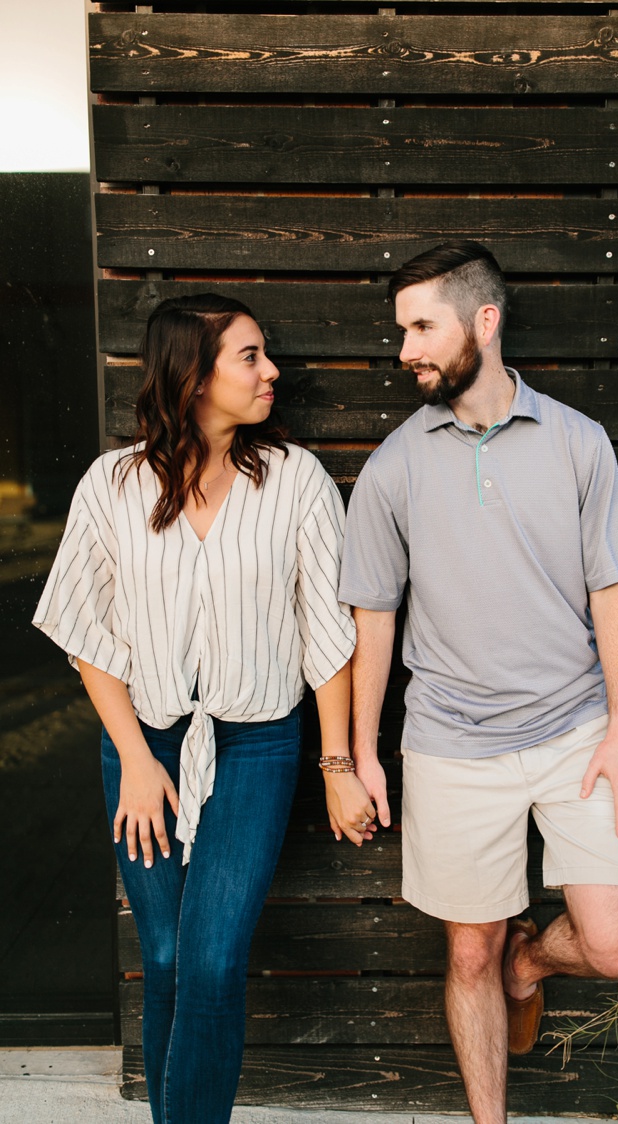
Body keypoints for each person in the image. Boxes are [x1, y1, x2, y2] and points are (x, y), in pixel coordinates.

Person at [334, 241, 618, 1124]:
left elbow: (612, 591)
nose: (405, 351)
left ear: (485, 320)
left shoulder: (577, 441)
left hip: (575, 730)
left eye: (421, 327)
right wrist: (361, 754)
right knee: (467, 956)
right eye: (401, 332)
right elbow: (373, 617)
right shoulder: (394, 465)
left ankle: (533, 964)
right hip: (450, 739)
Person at [31, 294, 358, 1124]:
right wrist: (138, 761)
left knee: (213, 961)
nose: (270, 371)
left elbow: (328, 639)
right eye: (250, 356)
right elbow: (87, 638)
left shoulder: (297, 483)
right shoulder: (111, 486)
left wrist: (336, 764)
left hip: (255, 750)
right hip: (141, 748)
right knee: (169, 957)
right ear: (192, 373)